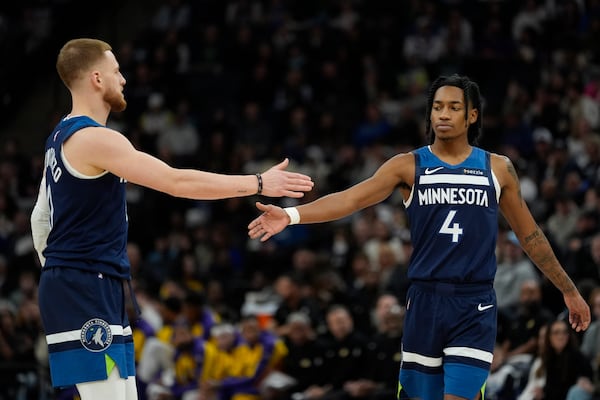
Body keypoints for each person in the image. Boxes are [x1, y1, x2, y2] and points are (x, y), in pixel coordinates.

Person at [248, 74, 591, 400]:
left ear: (472, 115)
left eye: (454, 107)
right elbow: (351, 198)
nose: (443, 114)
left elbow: (530, 234)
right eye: (437, 106)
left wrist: (569, 289)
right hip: (425, 301)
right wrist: (291, 215)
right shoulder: (408, 165)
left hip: (475, 303)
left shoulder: (498, 168)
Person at [29, 38, 314, 400]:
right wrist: (259, 182)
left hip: (81, 282)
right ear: (97, 79)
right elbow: (175, 182)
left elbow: (40, 217)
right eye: (117, 71)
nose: (124, 79)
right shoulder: (94, 138)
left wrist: (57, 277)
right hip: (85, 282)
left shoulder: (58, 136)